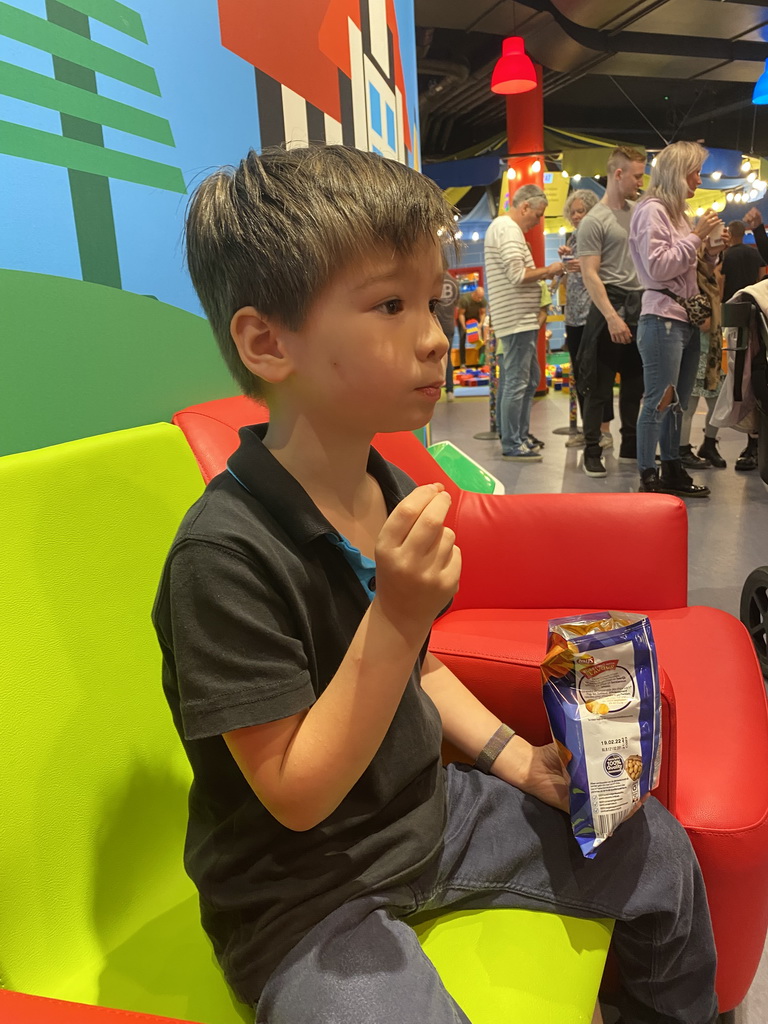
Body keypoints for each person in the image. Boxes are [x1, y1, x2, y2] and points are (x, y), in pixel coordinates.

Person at [152, 144, 718, 1024]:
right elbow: (296, 795)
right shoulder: (221, 557)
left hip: (430, 816)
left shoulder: (382, 484)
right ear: (269, 342)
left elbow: (420, 668)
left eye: (434, 302)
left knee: (659, 854)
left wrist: (518, 761)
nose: (434, 334)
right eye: (390, 305)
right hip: (299, 896)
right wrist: (395, 613)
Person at [628, 141, 722, 497]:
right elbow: (658, 266)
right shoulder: (652, 211)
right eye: (693, 172)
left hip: (682, 318)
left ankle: (671, 469)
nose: (698, 179)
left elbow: (684, 270)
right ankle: (648, 474)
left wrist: (709, 252)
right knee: (659, 400)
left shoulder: (676, 214)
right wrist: (696, 237)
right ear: (677, 173)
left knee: (677, 402)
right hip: (661, 318)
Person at [575, 147, 647, 478]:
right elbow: (590, 274)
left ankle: (631, 445)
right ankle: (592, 450)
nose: (640, 181)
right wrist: (611, 316)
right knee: (598, 386)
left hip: (640, 303)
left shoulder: (638, 212)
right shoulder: (594, 220)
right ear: (618, 174)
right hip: (609, 306)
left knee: (636, 383)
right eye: (636, 175)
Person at [484, 183, 562, 461]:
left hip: (518, 318)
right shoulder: (508, 229)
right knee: (518, 382)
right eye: (538, 215)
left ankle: (517, 435)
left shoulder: (504, 228)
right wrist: (550, 270)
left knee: (525, 381)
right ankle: (513, 442)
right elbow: (518, 275)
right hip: (517, 320)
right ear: (525, 206)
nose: (537, 222)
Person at [558, 188, 603, 448]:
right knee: (579, 373)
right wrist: (565, 262)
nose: (575, 216)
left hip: (592, 314)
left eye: (580, 211)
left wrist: (583, 265)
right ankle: (588, 432)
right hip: (573, 315)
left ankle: (600, 432)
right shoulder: (573, 239)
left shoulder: (597, 237)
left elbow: (603, 270)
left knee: (595, 374)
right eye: (573, 212)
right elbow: (567, 278)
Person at [679, 253, 727, 469]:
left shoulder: (711, 279)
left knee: (717, 404)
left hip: (713, 352)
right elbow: (704, 321)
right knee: (689, 406)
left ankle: (708, 444)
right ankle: (682, 448)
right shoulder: (693, 281)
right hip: (698, 350)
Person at [436, 270, 460, 401]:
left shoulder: (434, 281)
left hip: (436, 325)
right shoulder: (455, 283)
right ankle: (450, 390)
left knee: (432, 359)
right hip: (449, 324)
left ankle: (433, 389)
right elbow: (456, 303)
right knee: (448, 358)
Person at [456, 285, 485, 368]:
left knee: (481, 339)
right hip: (464, 318)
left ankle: (481, 361)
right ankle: (462, 363)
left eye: (481, 298)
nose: (480, 300)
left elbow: (483, 313)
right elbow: (461, 314)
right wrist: (464, 327)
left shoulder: (482, 300)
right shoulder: (465, 300)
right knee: (462, 338)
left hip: (475, 318)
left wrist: (480, 324)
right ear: (474, 294)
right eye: (478, 297)